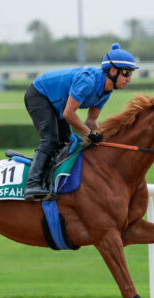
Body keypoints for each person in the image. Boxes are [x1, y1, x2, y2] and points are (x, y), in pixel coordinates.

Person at [23, 43, 138, 201]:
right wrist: (89, 134)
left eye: (130, 74)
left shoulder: (106, 92)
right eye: (126, 73)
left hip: (57, 102)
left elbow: (91, 120)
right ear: (113, 71)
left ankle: (51, 180)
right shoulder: (88, 81)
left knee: (66, 143)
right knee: (50, 140)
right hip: (39, 95)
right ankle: (32, 186)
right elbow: (69, 113)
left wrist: (102, 138)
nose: (129, 79)